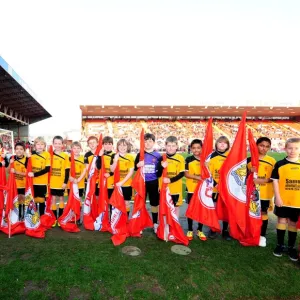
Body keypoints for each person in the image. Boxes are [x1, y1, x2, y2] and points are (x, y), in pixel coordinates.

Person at [272, 137, 300, 261]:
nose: (293, 151)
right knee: (281, 221)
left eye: (296, 148)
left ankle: (291, 247)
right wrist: (277, 197)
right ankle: (280, 245)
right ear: (285, 149)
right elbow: (275, 182)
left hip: (297, 201)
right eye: (290, 148)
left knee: (293, 223)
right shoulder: (280, 164)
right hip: (282, 200)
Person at [247, 137, 276, 247]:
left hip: (265, 193)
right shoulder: (249, 160)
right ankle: (251, 233)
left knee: (263, 213)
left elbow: (274, 178)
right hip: (252, 193)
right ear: (256, 145)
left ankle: (262, 236)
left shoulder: (272, 161)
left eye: (267, 146)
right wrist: (250, 171)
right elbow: (243, 177)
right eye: (262, 145)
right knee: (252, 212)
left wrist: (261, 180)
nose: (264, 148)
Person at [135, 133, 162, 232]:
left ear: (154, 143)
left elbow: (159, 173)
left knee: (154, 203)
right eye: (145, 141)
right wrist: (138, 164)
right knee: (141, 203)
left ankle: (155, 223)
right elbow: (134, 167)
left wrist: (162, 167)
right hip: (142, 183)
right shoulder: (140, 154)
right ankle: (140, 224)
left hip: (153, 183)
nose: (147, 143)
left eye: (150, 141)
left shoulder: (158, 156)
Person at [208, 136, 231, 240]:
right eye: (220, 142)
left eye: (224, 143)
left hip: (227, 189)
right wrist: (215, 183)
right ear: (216, 144)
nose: (222, 144)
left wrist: (224, 184)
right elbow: (207, 173)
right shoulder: (211, 156)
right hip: (213, 188)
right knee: (213, 209)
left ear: (228, 145)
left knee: (226, 209)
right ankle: (213, 228)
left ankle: (225, 230)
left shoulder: (231, 156)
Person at [185, 139, 206, 241]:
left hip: (203, 189)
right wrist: (198, 178)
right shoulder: (188, 159)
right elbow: (186, 174)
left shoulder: (206, 159)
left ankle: (200, 230)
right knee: (191, 209)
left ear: (202, 148)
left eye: (198, 147)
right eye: (194, 148)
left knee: (201, 210)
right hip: (191, 189)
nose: (196, 150)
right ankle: (189, 229)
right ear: (191, 149)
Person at [161, 136, 185, 218]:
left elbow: (182, 174)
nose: (171, 148)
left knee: (176, 207)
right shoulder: (162, 158)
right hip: (164, 188)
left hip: (176, 189)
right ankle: (165, 227)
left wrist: (170, 180)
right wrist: (161, 167)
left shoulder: (180, 158)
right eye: (169, 146)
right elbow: (157, 173)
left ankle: (175, 225)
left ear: (177, 147)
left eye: (173, 146)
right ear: (165, 146)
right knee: (164, 208)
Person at [110, 139, 134, 216]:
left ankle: (126, 220)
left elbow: (131, 172)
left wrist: (122, 182)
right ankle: (117, 220)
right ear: (117, 146)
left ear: (128, 147)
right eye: (120, 145)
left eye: (124, 145)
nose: (122, 147)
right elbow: (112, 170)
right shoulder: (114, 156)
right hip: (116, 185)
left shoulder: (130, 157)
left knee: (126, 203)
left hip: (126, 185)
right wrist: (115, 161)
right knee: (116, 203)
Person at [50, 136, 70, 227]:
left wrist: (65, 182)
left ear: (62, 145)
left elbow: (67, 170)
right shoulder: (49, 155)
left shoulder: (65, 156)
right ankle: (54, 219)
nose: (57, 145)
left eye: (59, 143)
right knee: (53, 199)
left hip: (61, 182)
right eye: (56, 143)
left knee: (61, 199)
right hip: (52, 182)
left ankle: (61, 218)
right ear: (53, 144)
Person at [27, 137, 51, 216]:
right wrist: (27, 158)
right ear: (35, 146)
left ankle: (41, 217)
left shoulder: (47, 154)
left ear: (44, 146)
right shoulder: (31, 154)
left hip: (42, 183)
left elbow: (47, 169)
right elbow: (26, 166)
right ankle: (34, 218)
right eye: (38, 144)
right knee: (33, 201)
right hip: (32, 183)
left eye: (42, 144)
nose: (40, 146)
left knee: (41, 201)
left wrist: (34, 174)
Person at [68, 141, 86, 224]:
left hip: (80, 183)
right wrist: (70, 178)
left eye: (78, 148)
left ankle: (78, 217)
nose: (76, 150)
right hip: (71, 183)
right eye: (74, 148)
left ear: (81, 149)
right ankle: (72, 216)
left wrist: (78, 179)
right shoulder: (68, 158)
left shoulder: (83, 158)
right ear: (71, 149)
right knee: (71, 200)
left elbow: (85, 170)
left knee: (79, 200)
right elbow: (66, 170)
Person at [10, 142, 28, 220]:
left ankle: (22, 216)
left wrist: (16, 172)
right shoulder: (12, 158)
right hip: (14, 185)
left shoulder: (27, 159)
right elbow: (7, 171)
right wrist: (9, 165)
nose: (19, 151)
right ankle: (15, 217)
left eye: (21, 149)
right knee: (15, 201)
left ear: (24, 150)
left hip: (23, 185)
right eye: (17, 149)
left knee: (22, 201)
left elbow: (27, 174)